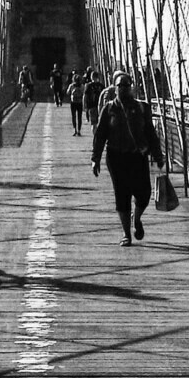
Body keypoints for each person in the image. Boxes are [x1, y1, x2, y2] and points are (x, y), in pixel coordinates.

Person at [91, 70, 164, 247]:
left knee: (144, 194)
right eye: (120, 85)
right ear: (114, 88)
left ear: (131, 87)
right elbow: (100, 135)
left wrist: (158, 155)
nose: (123, 88)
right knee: (122, 195)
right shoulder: (109, 109)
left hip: (137, 156)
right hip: (116, 157)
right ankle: (126, 233)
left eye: (126, 85)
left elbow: (150, 133)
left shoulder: (142, 108)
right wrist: (95, 158)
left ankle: (136, 218)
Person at [67, 72, 85, 136]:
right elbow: (84, 93)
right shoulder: (82, 86)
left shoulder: (71, 85)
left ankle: (75, 130)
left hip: (73, 102)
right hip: (80, 102)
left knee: (73, 116)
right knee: (79, 117)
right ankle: (79, 130)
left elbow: (68, 92)